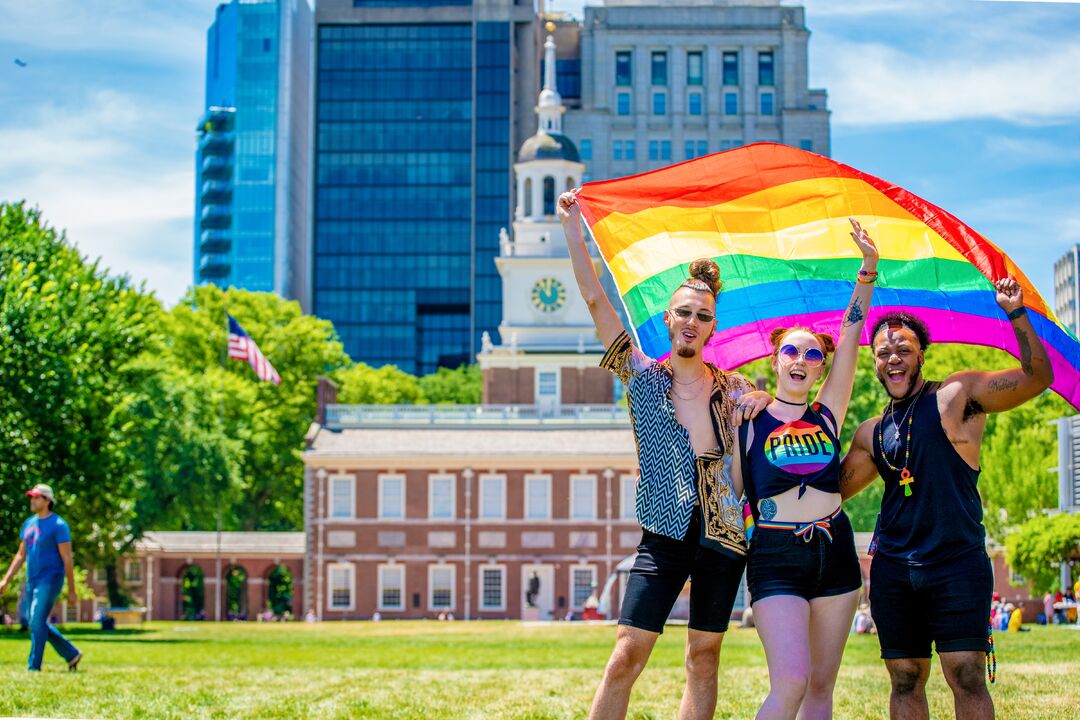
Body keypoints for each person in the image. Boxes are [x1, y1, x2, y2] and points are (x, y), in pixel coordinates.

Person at [558, 189, 770, 720]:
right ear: (669, 320)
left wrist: (764, 399)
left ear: (712, 326)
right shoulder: (642, 378)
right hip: (663, 534)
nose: (693, 321)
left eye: (703, 315)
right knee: (627, 654)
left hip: (722, 533)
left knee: (703, 655)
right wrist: (571, 226)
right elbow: (592, 298)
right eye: (684, 313)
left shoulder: (735, 387)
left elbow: (780, 416)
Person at [840, 277, 1053, 720]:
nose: (893, 358)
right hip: (895, 568)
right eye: (883, 353)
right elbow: (829, 492)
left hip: (957, 561)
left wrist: (1015, 312)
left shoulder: (956, 396)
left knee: (967, 672)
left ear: (921, 355)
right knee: (904, 678)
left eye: (903, 350)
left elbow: (1037, 378)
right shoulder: (871, 432)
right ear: (875, 363)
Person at [731, 218, 878, 719]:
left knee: (819, 687)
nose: (801, 359)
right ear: (775, 359)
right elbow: (732, 490)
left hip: (835, 550)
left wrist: (867, 272)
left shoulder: (827, 412)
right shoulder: (747, 416)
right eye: (790, 350)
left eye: (812, 354)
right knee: (791, 681)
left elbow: (852, 333)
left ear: (819, 367)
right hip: (774, 554)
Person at [0, 484, 82, 672]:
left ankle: (33, 668)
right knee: (35, 622)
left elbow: (67, 559)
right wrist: (6, 579)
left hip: (51, 578)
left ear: (47, 500)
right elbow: (21, 555)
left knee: (37, 621)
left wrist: (72, 590)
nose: (32, 500)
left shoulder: (59, 525)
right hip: (33, 579)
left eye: (36, 497)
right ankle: (71, 654)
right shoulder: (29, 524)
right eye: (31, 497)